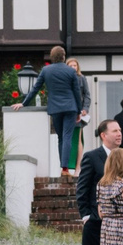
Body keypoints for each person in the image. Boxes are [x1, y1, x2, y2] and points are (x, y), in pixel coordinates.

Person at [74, 118, 123, 245]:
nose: (119, 133)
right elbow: (82, 188)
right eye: (115, 130)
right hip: (96, 222)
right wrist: (86, 215)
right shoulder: (92, 157)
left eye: (120, 130)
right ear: (104, 135)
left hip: (119, 223)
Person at [33, 47, 87, 175]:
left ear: (52, 57)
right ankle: (65, 168)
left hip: (55, 108)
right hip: (70, 108)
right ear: (63, 56)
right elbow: (76, 92)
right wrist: (79, 111)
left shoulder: (46, 70)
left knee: (60, 138)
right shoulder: (71, 71)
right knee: (67, 136)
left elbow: (35, 88)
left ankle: (63, 167)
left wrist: (23, 103)